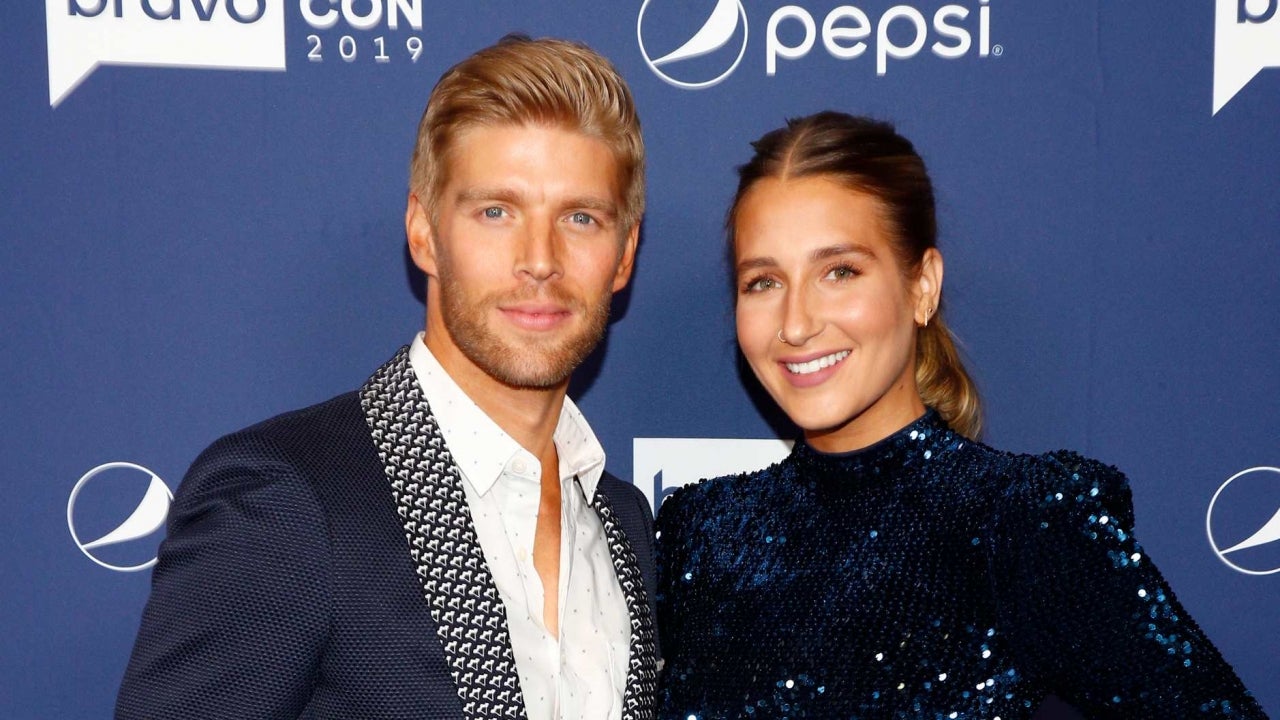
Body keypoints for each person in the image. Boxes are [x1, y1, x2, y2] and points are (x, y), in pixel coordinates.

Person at [654, 111, 1266, 719]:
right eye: (763, 282)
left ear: (922, 286)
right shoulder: (702, 533)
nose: (796, 323)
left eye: (839, 272)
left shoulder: (1022, 522)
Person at [116, 36, 657, 720]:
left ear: (623, 254)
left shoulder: (623, 521)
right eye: (496, 212)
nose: (540, 259)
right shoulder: (288, 500)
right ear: (424, 232)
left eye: (580, 218)